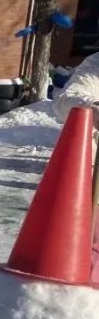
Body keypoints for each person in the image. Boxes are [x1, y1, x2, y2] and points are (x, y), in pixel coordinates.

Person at [52, 50, 99, 282]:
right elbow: (65, 99)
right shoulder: (96, 65)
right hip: (95, 178)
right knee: (81, 247)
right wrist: (91, 106)